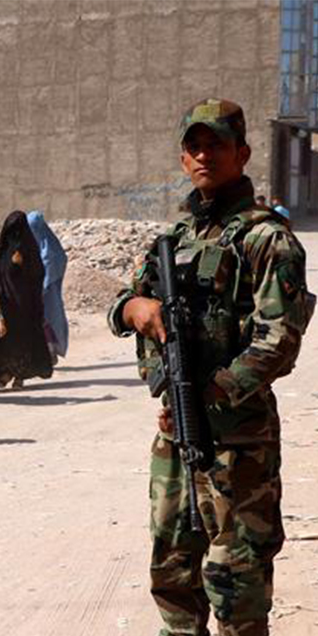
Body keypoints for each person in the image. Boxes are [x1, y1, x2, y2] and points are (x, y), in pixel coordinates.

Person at [108, 98, 313, 636]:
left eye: (216, 144)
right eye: (194, 146)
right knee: (173, 573)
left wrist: (209, 395)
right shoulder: (173, 241)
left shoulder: (267, 239)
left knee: (236, 583)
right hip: (177, 434)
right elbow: (129, 298)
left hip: (238, 440)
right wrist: (137, 310)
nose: (204, 155)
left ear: (242, 152)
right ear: (182, 160)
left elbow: (278, 341)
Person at [0, 210, 53, 389]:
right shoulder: (4, 248)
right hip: (5, 303)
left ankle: (20, 375)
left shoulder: (29, 250)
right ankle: (6, 372)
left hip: (24, 304)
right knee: (5, 339)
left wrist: (21, 267)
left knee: (22, 339)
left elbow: (38, 275)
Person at [25, 210, 69, 363]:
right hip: (42, 290)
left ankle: (50, 352)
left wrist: (42, 288)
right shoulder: (41, 245)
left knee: (48, 320)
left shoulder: (49, 251)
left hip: (47, 292)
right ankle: (47, 352)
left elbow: (53, 267)